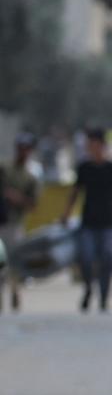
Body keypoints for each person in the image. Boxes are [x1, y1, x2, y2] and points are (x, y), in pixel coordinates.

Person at [61, 128, 112, 313]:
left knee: (107, 258)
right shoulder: (84, 168)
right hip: (88, 222)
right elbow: (75, 193)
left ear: (102, 146)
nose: (91, 149)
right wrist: (66, 214)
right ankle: (88, 288)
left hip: (108, 223)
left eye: (93, 145)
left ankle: (103, 297)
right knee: (85, 258)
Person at [0, 132, 40, 312]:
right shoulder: (4, 168)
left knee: (14, 261)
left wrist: (15, 197)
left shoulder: (30, 177)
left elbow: (33, 204)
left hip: (15, 223)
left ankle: (15, 290)